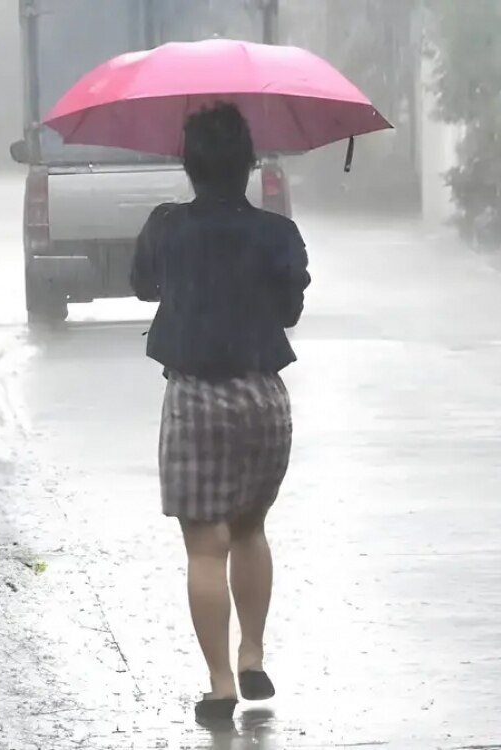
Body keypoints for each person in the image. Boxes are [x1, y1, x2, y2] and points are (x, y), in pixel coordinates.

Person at [130, 102, 311, 727]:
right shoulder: (277, 233)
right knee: (250, 529)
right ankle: (254, 650)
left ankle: (219, 683)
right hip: (263, 398)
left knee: (205, 548)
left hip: (195, 398)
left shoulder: (165, 226)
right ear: (249, 164)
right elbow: (289, 311)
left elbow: (142, 286)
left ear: (188, 163)